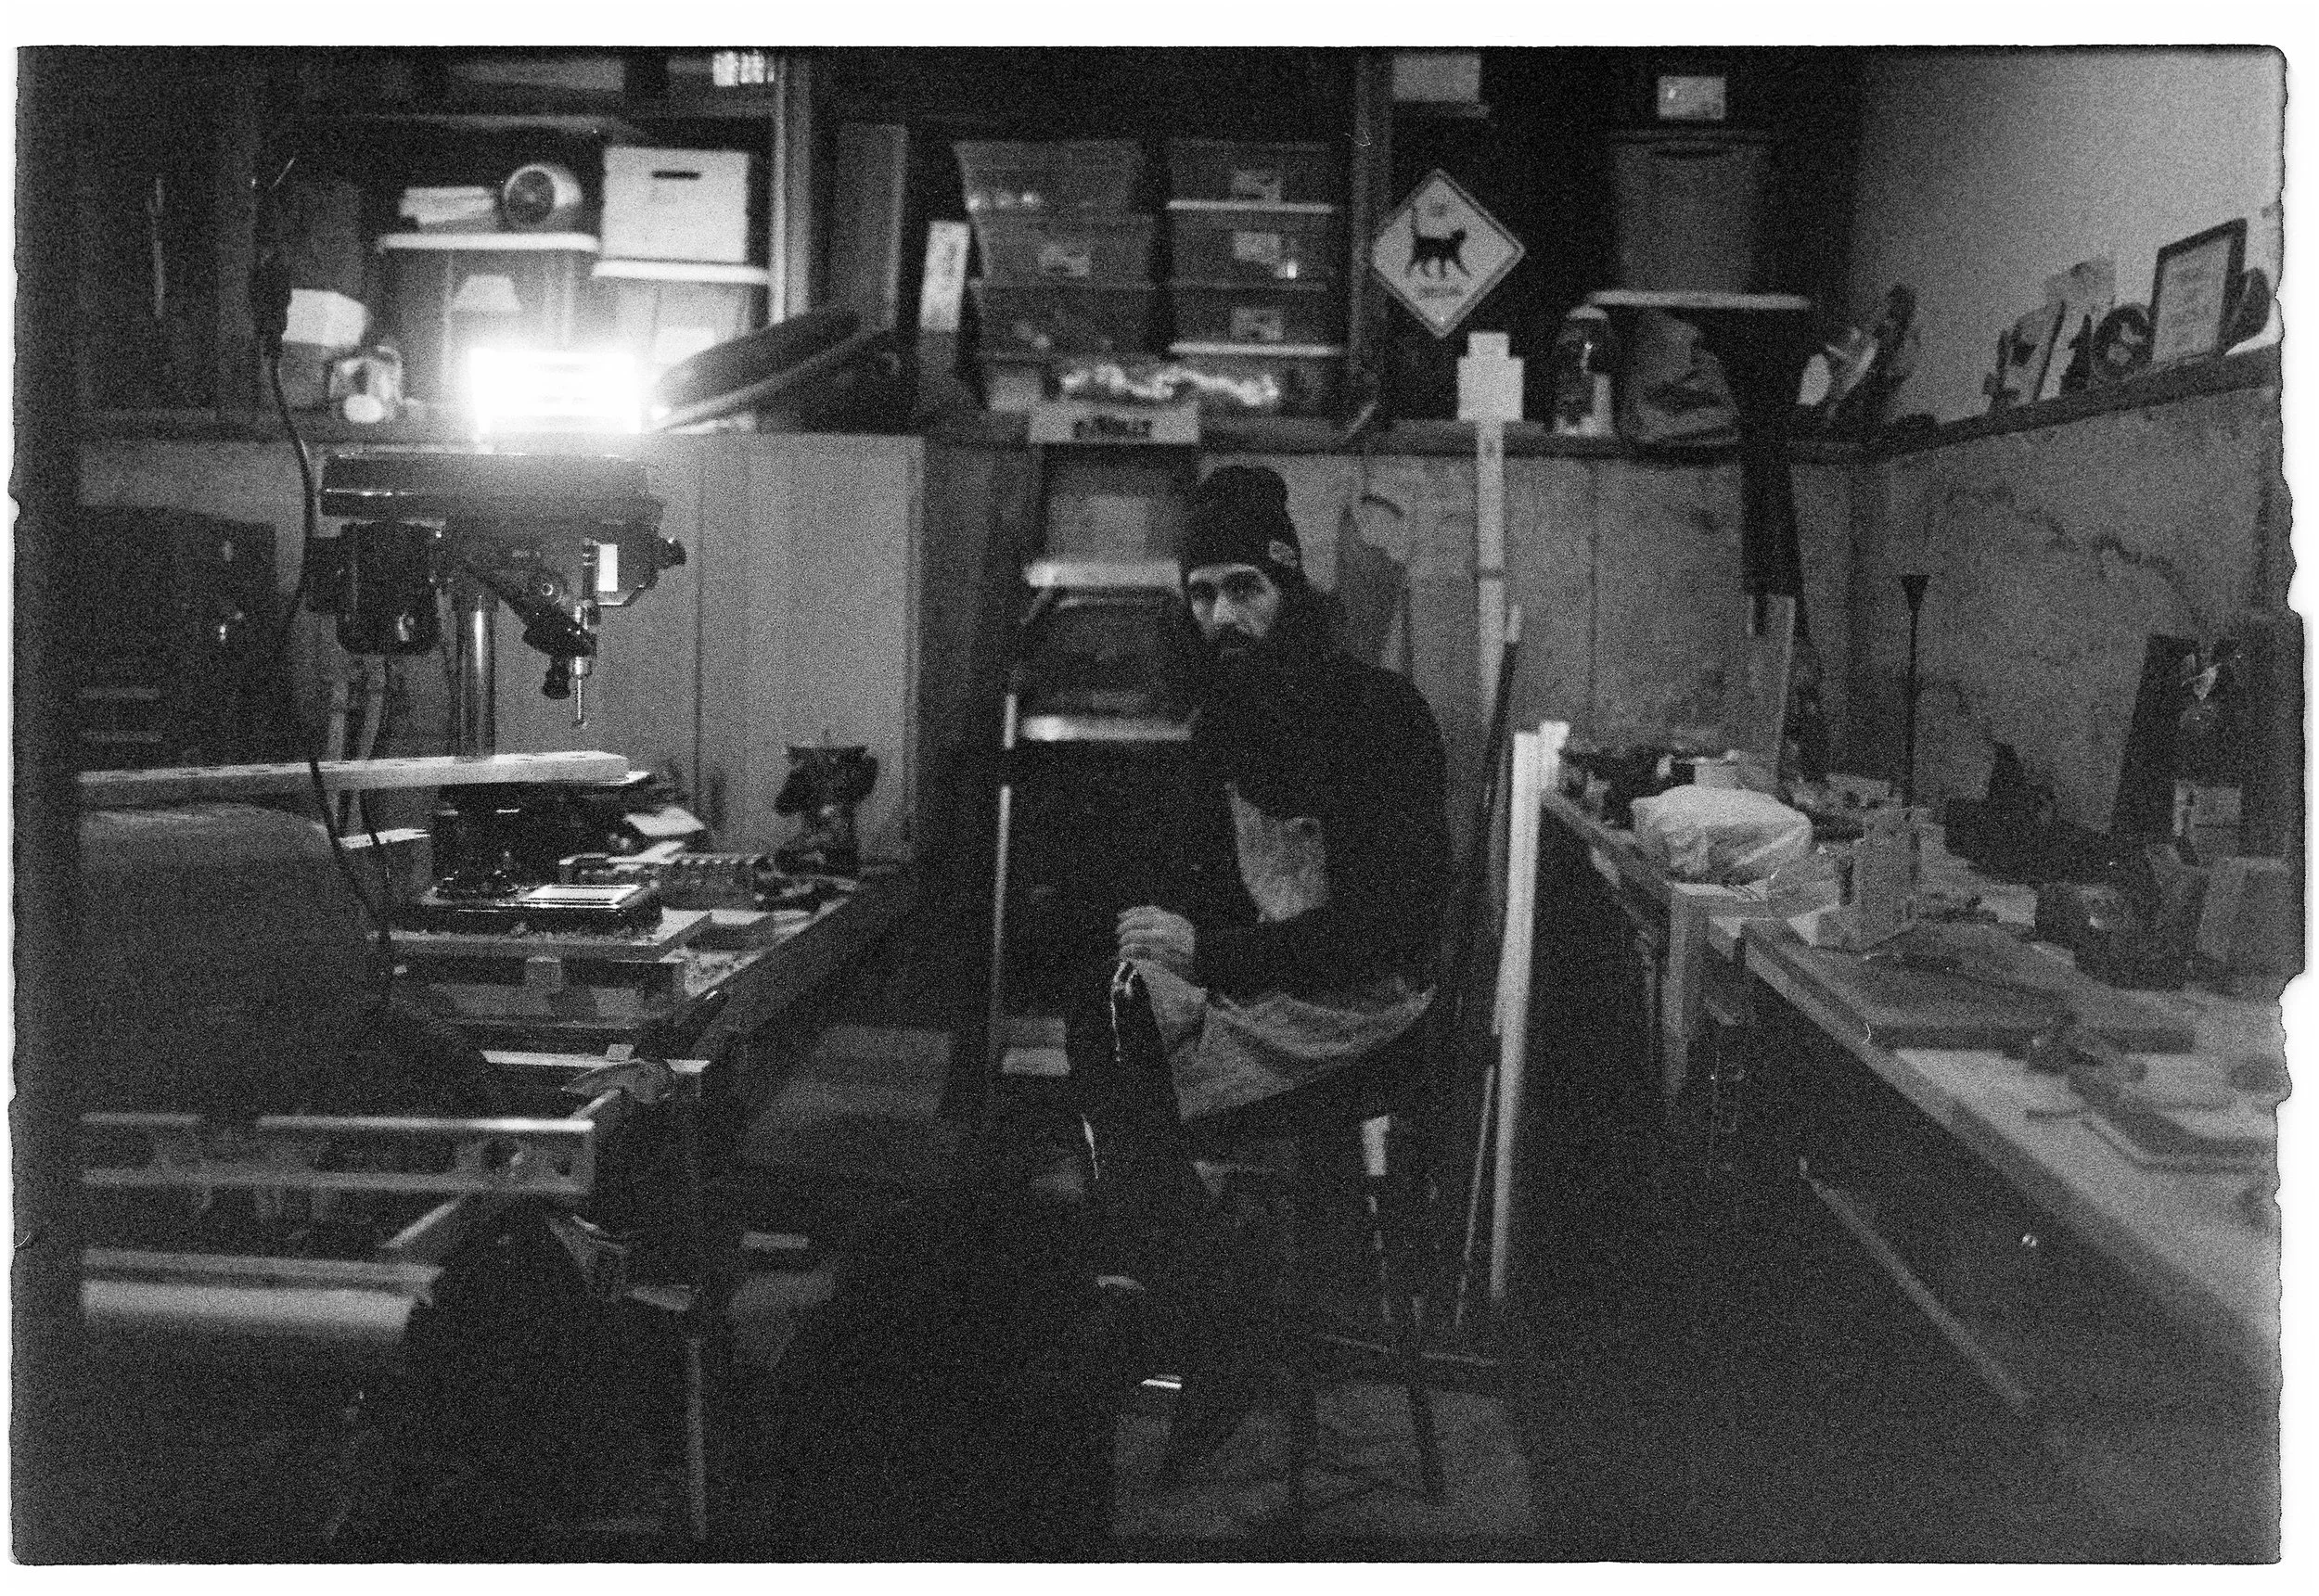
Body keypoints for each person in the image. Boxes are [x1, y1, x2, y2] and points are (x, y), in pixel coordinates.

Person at [1066, 464, 1450, 1460]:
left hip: (1371, 1014)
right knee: (1103, 1006)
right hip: (1281, 988)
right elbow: (1201, 887)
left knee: (1126, 1071)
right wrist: (1158, 938)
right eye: (1201, 593)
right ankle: (1212, 1311)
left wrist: (1211, 954)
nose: (1222, 615)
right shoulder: (1224, 724)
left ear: (1291, 592)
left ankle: (1206, 1316)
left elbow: (1388, 926)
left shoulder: (1379, 715)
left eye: (1245, 588)